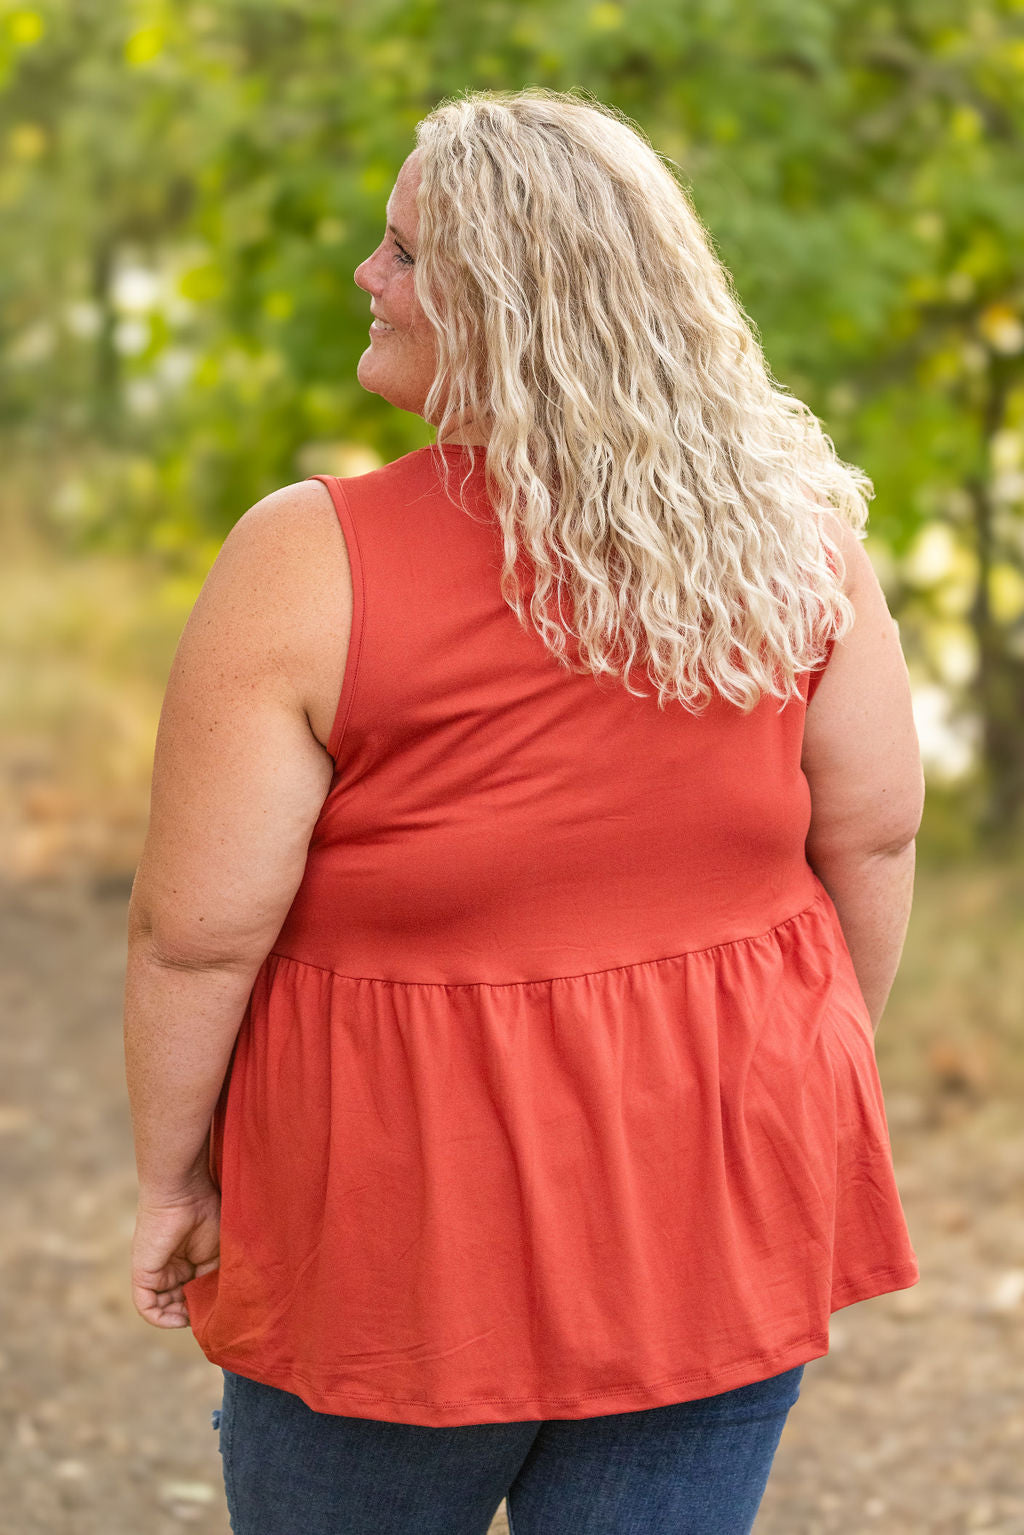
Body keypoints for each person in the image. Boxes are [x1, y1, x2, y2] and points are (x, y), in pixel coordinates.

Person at [123, 87, 924, 1535]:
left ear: (514, 309)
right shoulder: (800, 536)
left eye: (406, 253)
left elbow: (197, 934)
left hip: (403, 1219)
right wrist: (803, 1069)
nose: (369, 277)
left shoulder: (311, 561)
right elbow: (868, 834)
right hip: (716, 1181)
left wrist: (174, 1175)